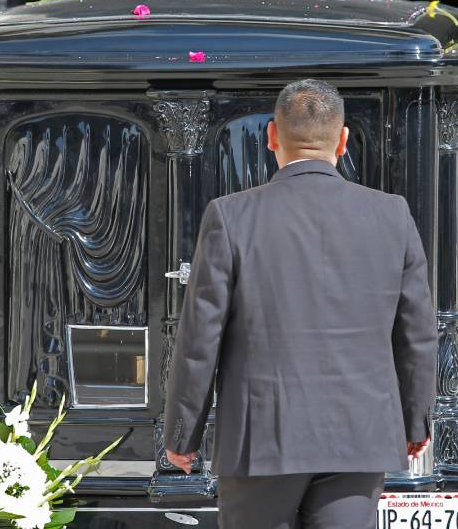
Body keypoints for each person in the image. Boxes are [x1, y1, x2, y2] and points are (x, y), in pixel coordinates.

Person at [163, 79, 437, 529]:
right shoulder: (392, 215)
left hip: (262, 437)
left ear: (272, 136)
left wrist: (181, 433)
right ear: (343, 139)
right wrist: (415, 421)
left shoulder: (230, 216)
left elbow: (199, 339)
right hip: (360, 432)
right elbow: (417, 331)